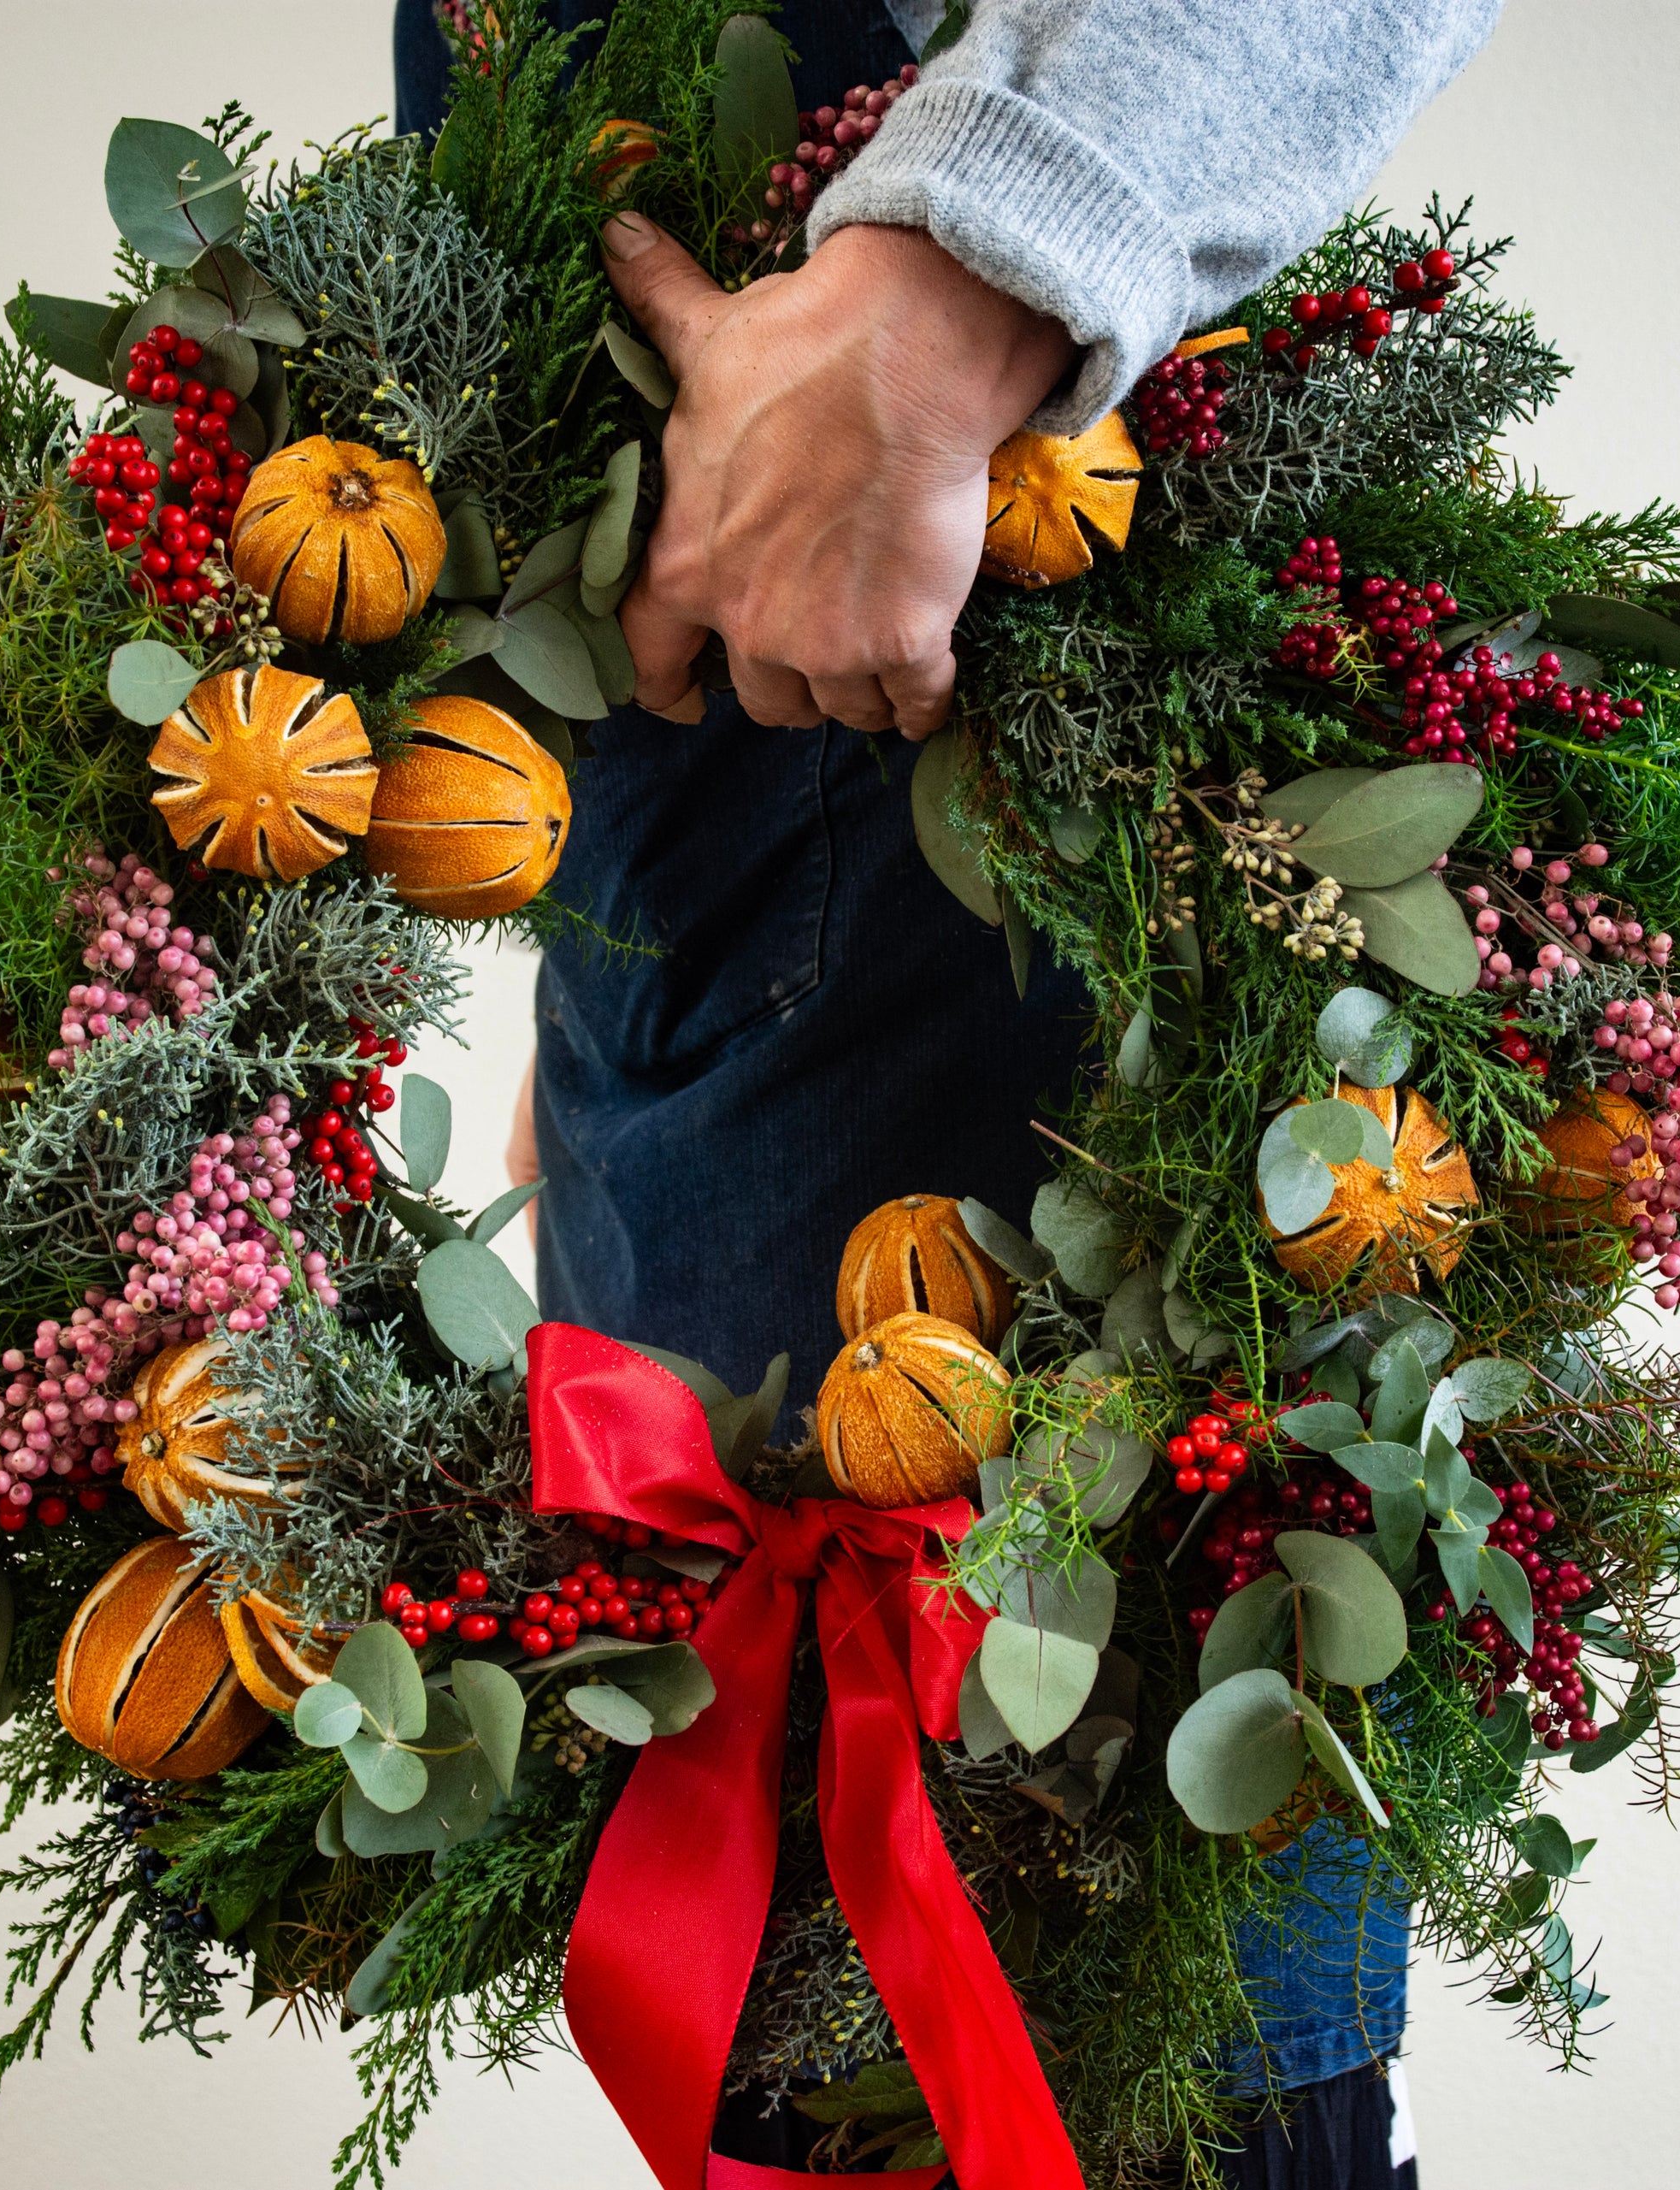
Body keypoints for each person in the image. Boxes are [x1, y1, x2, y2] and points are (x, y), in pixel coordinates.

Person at [410, 4, 1506, 2181]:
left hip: (1027, 901)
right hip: (703, 988)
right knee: (833, 2060)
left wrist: (965, 282)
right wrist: (619, 960)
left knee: (1127, 2026)